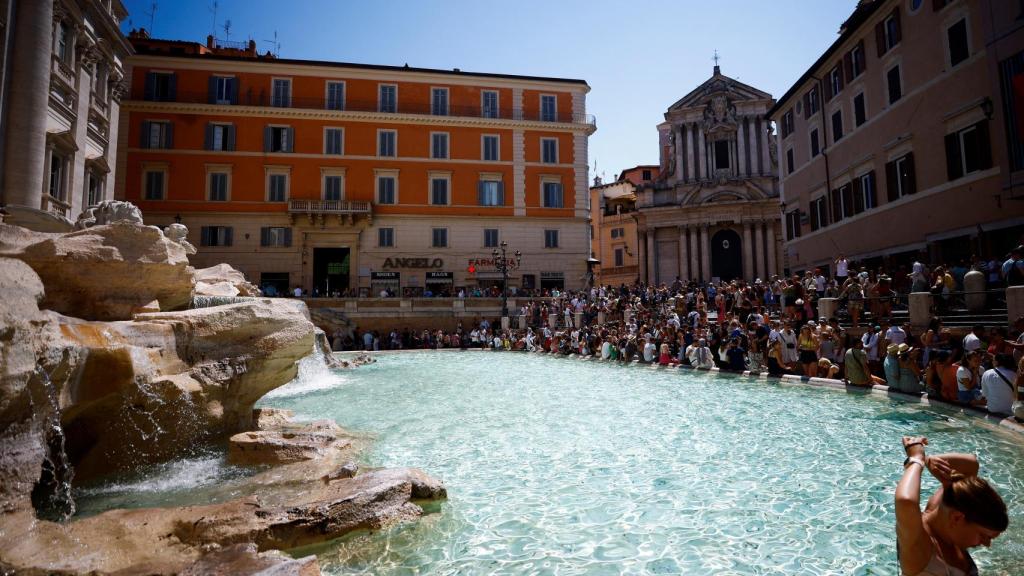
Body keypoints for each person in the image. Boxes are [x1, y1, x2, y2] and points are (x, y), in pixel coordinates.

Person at [895, 436, 1008, 576]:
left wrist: (931, 460)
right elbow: (905, 501)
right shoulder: (919, 548)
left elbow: (971, 464)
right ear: (956, 518)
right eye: (984, 535)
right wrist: (917, 459)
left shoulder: (948, 521)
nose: (987, 544)